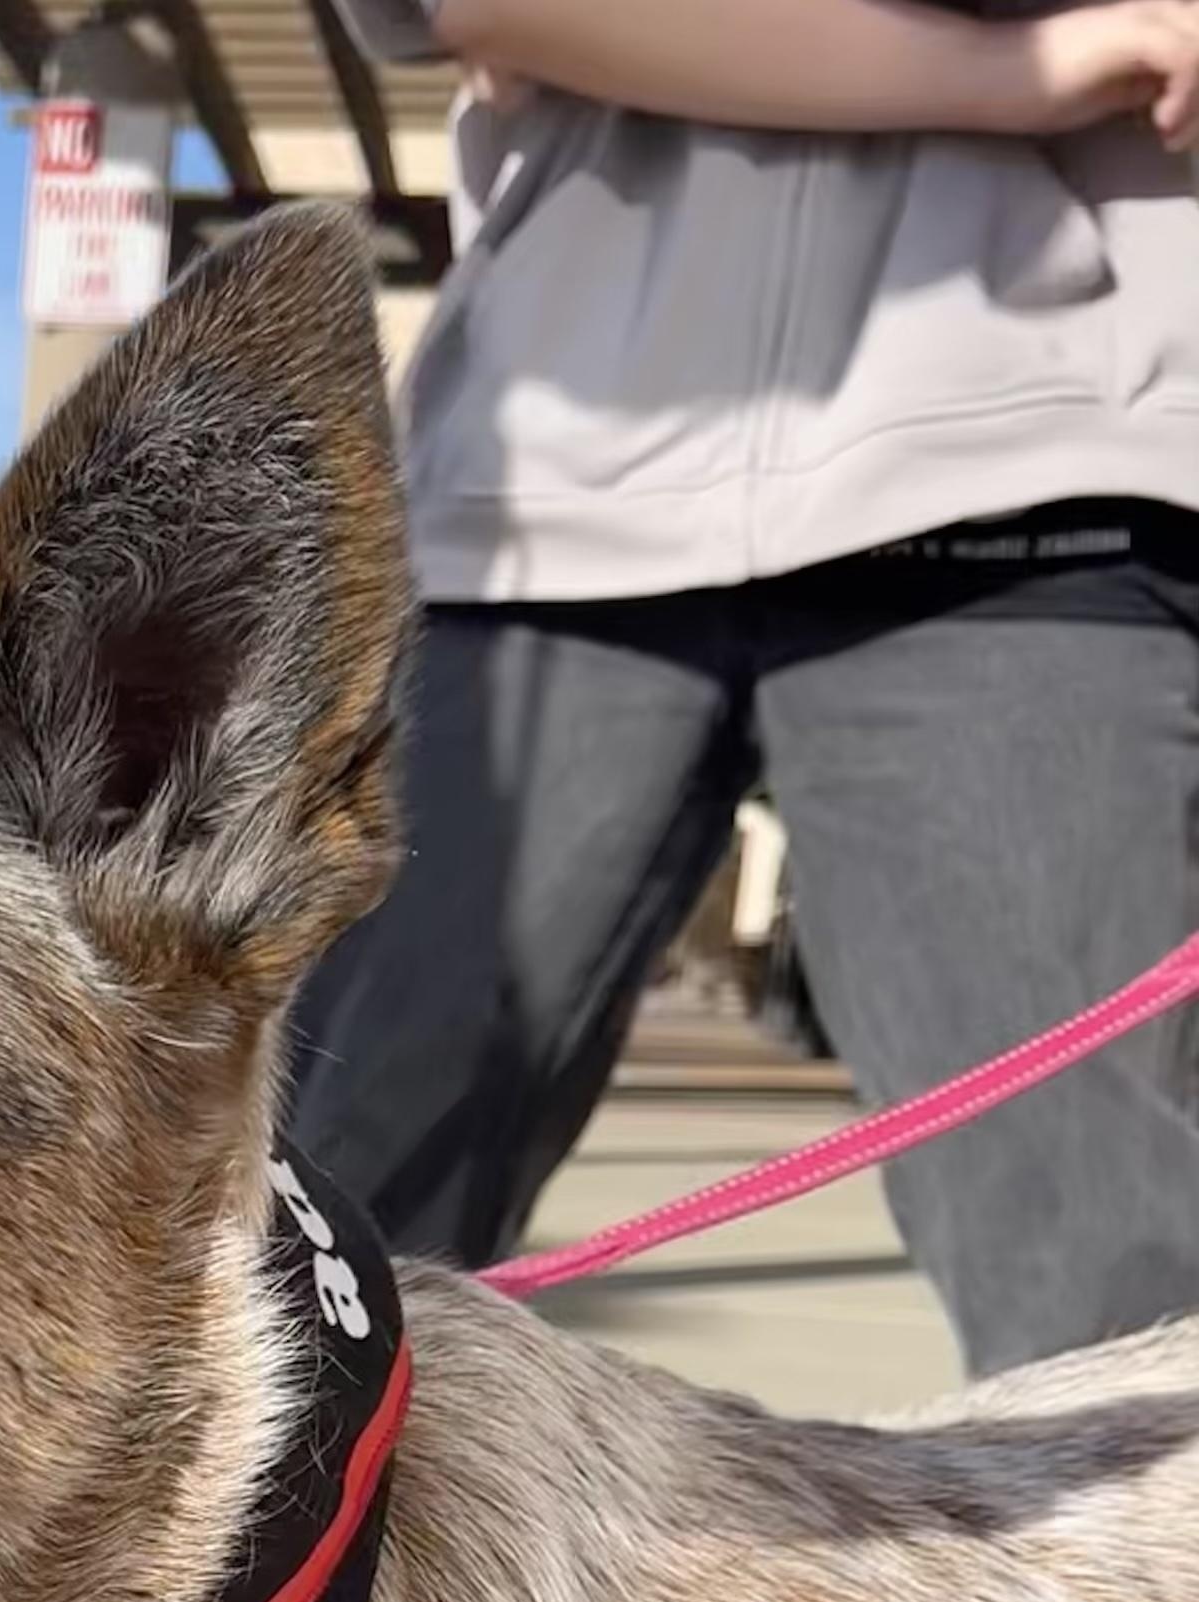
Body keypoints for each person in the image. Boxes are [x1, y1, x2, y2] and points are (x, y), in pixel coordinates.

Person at [288, 0, 1199, 1374]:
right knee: (305, 1249)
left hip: (1037, 480)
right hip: (536, 512)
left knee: (1114, 1300)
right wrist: (1022, 70)